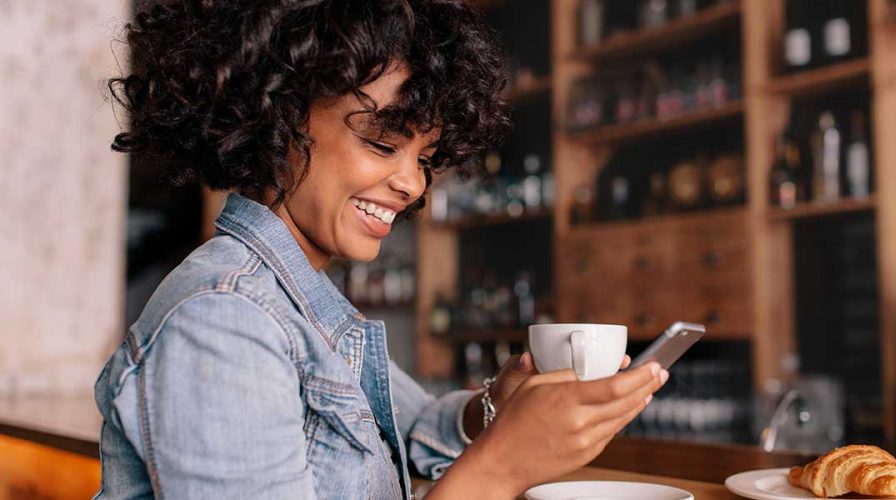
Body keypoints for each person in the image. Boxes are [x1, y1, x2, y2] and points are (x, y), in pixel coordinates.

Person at [96, 1, 668, 498]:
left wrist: (493, 407)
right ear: (277, 119)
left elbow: (411, 424)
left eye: (422, 158)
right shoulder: (223, 320)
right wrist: (499, 470)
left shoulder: (302, 302)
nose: (414, 184)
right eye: (381, 142)